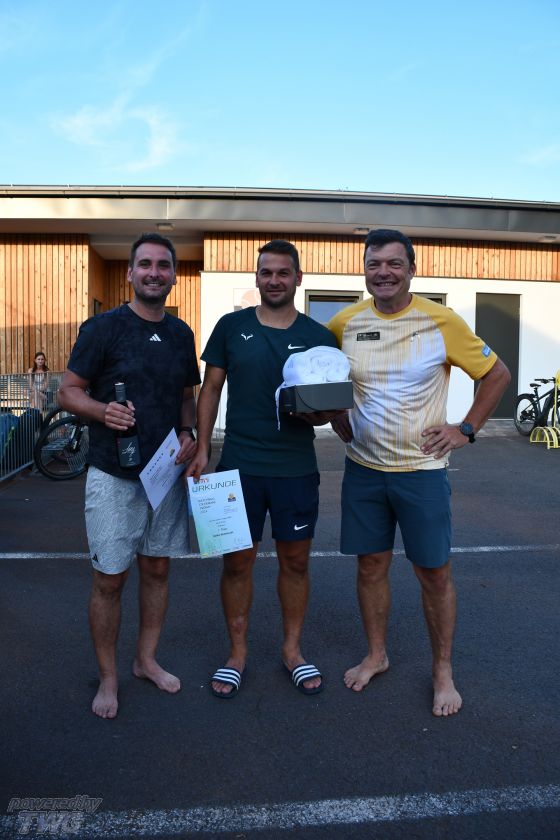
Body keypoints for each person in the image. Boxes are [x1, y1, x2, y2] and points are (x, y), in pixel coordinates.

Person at [328, 229, 510, 716]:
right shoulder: (345, 322)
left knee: (433, 573)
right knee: (370, 567)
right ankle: (376, 655)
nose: (383, 272)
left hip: (422, 472)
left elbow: (497, 375)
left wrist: (465, 429)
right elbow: (325, 374)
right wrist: (334, 410)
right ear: (364, 270)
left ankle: (442, 671)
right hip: (364, 469)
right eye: (374, 264)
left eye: (394, 263)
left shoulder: (440, 320)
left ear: (412, 269)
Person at [187, 239, 340, 698]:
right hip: (238, 467)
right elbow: (210, 389)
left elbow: (328, 404)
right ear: (257, 277)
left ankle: (292, 650)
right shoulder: (231, 327)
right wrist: (202, 448)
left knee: (296, 562)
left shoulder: (319, 336)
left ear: (298, 278)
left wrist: (322, 415)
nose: (274, 280)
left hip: (295, 469)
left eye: (282, 273)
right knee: (237, 563)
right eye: (266, 272)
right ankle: (237, 654)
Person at [58, 233, 200, 719]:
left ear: (173, 274)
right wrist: (102, 411)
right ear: (130, 273)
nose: (154, 273)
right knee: (110, 580)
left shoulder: (181, 333)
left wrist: (189, 432)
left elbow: (186, 395)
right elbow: (68, 391)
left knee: (157, 570)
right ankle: (108, 678)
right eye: (145, 264)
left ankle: (145, 660)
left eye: (163, 265)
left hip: (165, 475)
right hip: (113, 475)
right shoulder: (103, 328)